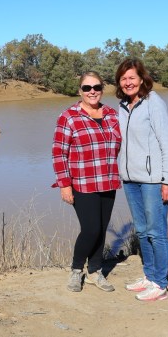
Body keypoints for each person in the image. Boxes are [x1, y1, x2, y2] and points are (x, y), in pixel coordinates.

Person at [52, 71, 122, 293]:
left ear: (102, 88)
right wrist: (64, 184)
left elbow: (123, 143)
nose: (92, 92)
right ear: (79, 91)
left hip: (109, 180)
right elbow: (58, 153)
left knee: (101, 230)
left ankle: (95, 271)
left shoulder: (112, 114)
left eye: (96, 87)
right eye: (87, 88)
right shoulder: (68, 117)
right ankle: (75, 270)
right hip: (82, 183)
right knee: (91, 229)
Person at [115, 59, 168, 302]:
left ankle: (160, 283)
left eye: (132, 77)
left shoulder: (154, 103)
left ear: (141, 78)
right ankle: (149, 276)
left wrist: (167, 180)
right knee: (141, 231)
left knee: (156, 232)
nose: (128, 82)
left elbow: (167, 143)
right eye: (123, 78)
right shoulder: (122, 105)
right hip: (130, 179)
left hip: (152, 180)